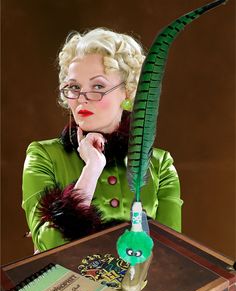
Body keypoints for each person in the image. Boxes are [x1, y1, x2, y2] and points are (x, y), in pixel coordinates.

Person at [22, 27, 183, 253]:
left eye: (98, 86)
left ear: (127, 91)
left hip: (145, 288)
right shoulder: (43, 155)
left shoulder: (160, 164)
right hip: (70, 288)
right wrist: (92, 169)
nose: (82, 99)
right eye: (74, 87)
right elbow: (51, 245)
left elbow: (172, 254)